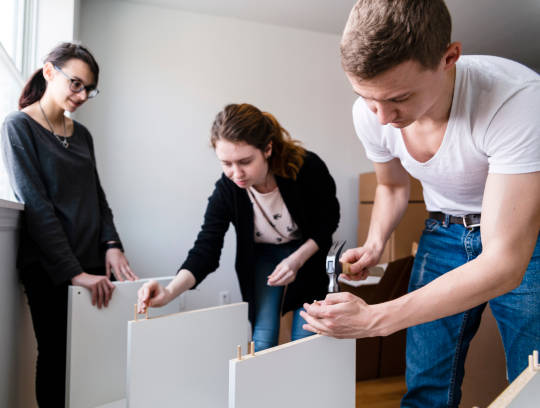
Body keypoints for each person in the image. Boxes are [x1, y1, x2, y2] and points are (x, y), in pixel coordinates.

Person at [301, 0, 540, 406]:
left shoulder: (518, 101)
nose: (381, 117)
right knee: (427, 382)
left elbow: (503, 263)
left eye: (398, 98)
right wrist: (375, 244)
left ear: (449, 58)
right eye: (367, 98)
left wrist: (375, 320)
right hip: (442, 231)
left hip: (523, 239)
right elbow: (393, 187)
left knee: (531, 375)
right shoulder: (372, 111)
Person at [137, 103, 340, 351]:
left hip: (307, 254)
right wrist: (169, 293)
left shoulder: (307, 167)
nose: (236, 173)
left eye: (245, 161)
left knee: (306, 336)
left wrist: (296, 260)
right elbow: (206, 249)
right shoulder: (226, 191)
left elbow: (328, 220)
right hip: (262, 256)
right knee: (263, 336)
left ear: (267, 148)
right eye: (226, 163)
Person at [1, 42, 138, 406]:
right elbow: (36, 205)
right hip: (51, 267)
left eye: (88, 89)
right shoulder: (18, 126)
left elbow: (97, 195)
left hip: (91, 260)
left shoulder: (82, 135)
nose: (81, 95)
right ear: (49, 71)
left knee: (92, 359)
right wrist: (73, 273)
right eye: (75, 83)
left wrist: (112, 245)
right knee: (56, 358)